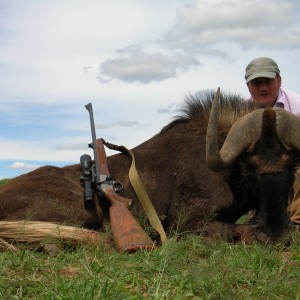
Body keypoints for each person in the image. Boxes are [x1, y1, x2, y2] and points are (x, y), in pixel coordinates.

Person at [245, 57, 300, 225]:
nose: (263, 88)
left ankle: (297, 222)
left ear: (279, 80)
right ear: (248, 86)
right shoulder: (242, 113)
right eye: (256, 83)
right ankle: (257, 218)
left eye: (268, 81)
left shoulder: (297, 105)